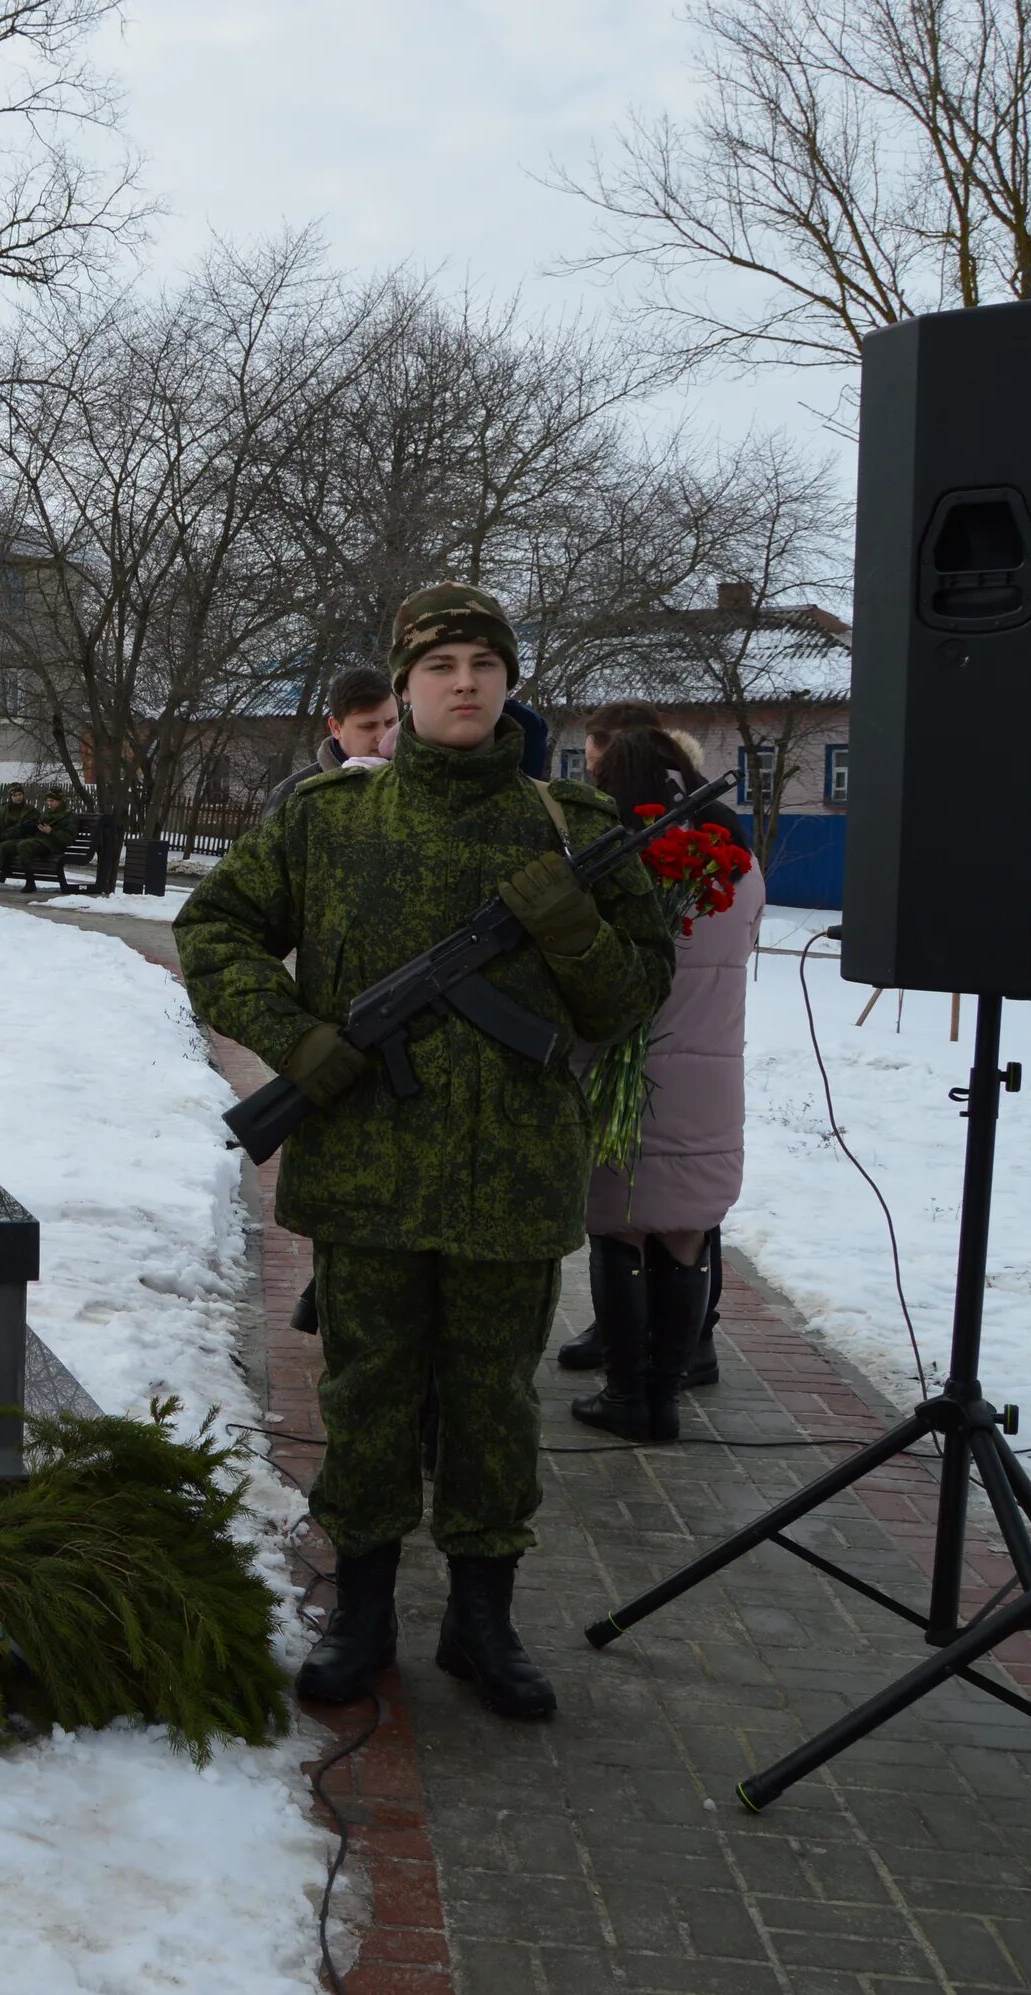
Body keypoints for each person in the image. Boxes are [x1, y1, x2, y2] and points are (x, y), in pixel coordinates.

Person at [175, 581, 673, 1722]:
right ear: (402, 688)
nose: (465, 685)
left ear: (509, 686)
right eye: (442, 666)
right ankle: (360, 1613)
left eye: (484, 667)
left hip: (512, 1180)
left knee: (496, 1403)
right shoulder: (327, 821)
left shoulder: (573, 830)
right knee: (367, 1395)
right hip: (367, 1177)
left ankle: (481, 1622)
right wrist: (299, 1042)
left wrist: (571, 926)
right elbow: (216, 929)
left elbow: (628, 998)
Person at [567, 713, 759, 1442]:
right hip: (711, 1076)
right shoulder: (732, 856)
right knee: (684, 1234)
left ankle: (626, 1397)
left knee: (619, 1232)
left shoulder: (611, 858)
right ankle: (668, 1397)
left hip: (624, 1073)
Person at [264, 665, 401, 813]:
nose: (382, 737)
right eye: (368, 726)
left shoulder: (418, 781)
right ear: (336, 728)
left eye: (390, 723)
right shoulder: (294, 797)